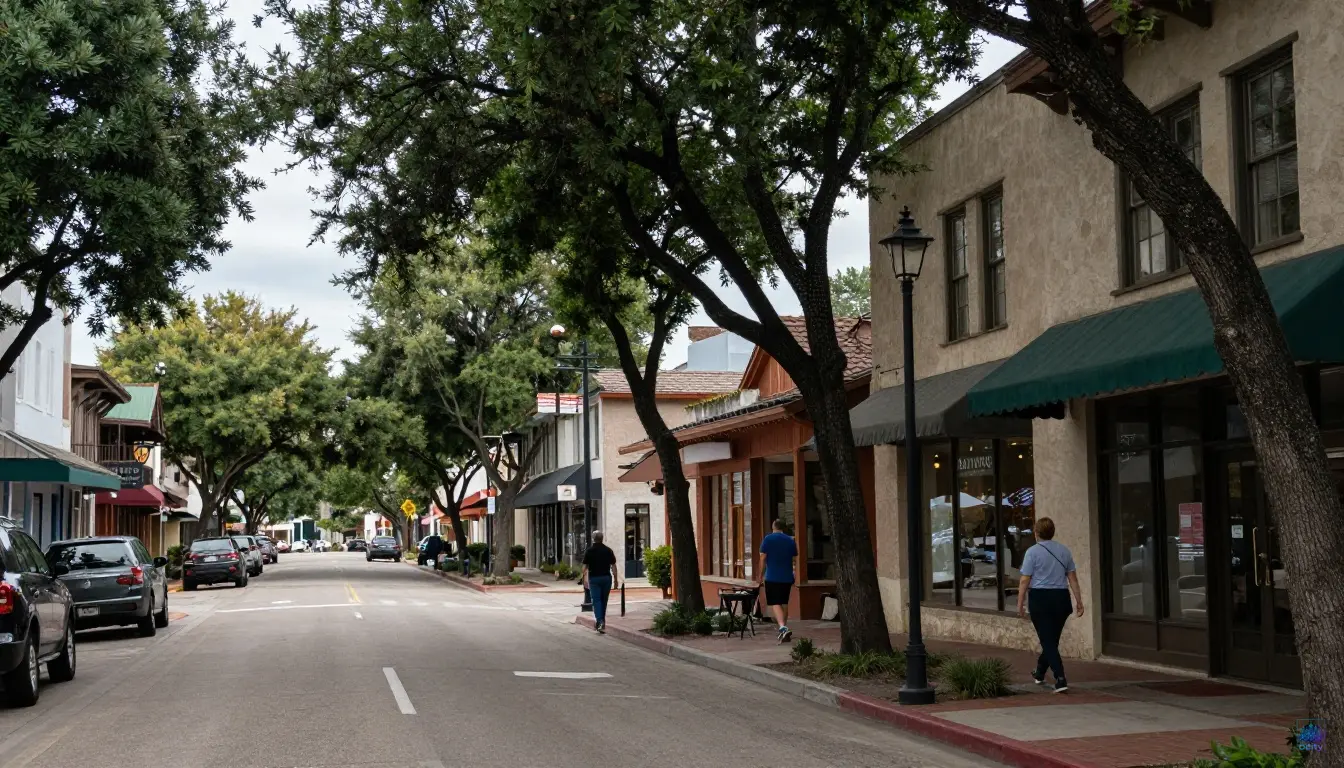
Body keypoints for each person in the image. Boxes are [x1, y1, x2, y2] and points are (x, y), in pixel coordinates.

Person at [1016, 516, 1084, 693]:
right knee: (1051, 640)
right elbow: (1073, 579)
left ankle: (1060, 678)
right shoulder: (1064, 551)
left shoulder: (1032, 552)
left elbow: (1024, 580)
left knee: (1047, 640)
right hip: (1061, 598)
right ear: (1052, 532)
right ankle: (1039, 672)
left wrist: (1020, 603)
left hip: (1041, 598)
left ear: (1036, 533)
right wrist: (1079, 601)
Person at [756, 519, 798, 643]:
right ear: (783, 528)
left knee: (775, 603)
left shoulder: (768, 539)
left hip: (772, 576)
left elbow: (763, 558)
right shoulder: (790, 540)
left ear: (773, 527)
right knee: (784, 603)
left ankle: (782, 627)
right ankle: (784, 630)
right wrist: (794, 572)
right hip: (787, 576)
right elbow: (794, 559)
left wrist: (760, 575)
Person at [579, 531, 619, 633]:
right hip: (606, 578)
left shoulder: (589, 551)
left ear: (593, 538)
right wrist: (616, 579)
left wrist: (583, 577)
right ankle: (601, 622)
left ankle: (600, 621)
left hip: (594, 579)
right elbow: (613, 566)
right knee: (604, 601)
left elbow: (584, 567)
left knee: (596, 601)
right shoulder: (608, 550)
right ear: (602, 538)